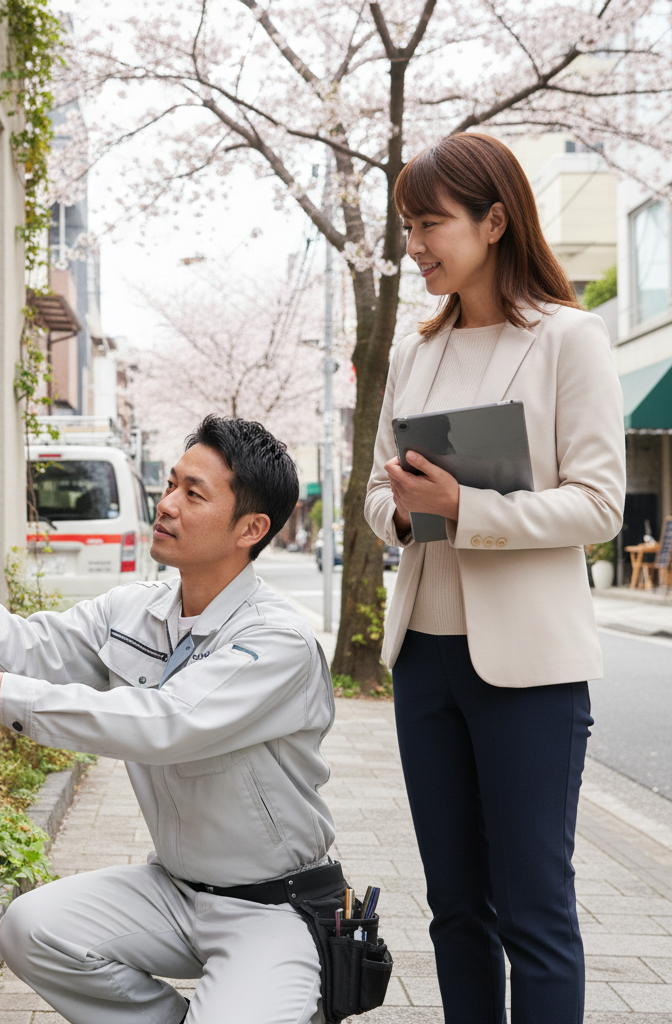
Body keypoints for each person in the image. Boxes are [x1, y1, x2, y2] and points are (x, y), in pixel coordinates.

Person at [0, 415, 344, 1024]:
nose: (167, 504)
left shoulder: (276, 640)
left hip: (273, 908)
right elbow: (30, 649)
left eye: (192, 494)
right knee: (30, 926)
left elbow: (166, 722)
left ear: (250, 529)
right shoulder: (135, 609)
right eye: (170, 484)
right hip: (173, 891)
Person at [365, 132, 625, 1023]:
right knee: (455, 912)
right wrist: (403, 510)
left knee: (536, 914)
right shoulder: (414, 353)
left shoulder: (569, 340)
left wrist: (468, 510)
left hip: (530, 672)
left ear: (495, 220)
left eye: (430, 223)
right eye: (408, 225)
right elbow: (374, 494)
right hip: (426, 662)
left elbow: (599, 506)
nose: (415, 245)